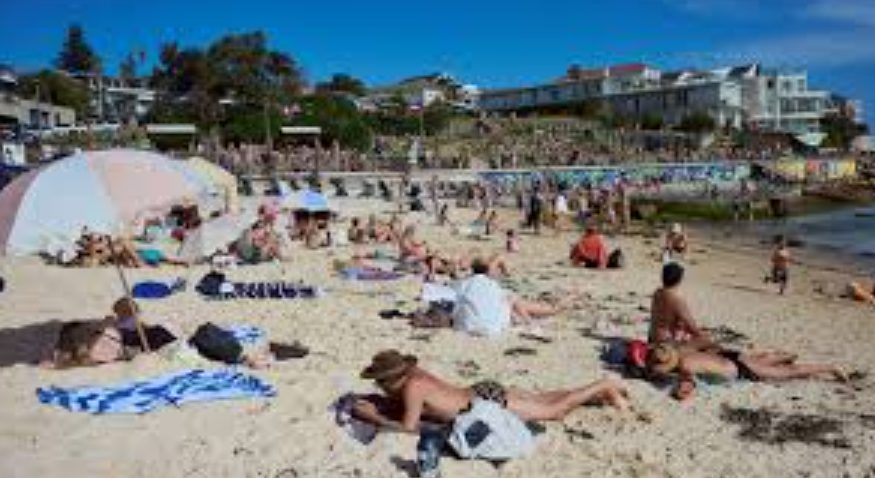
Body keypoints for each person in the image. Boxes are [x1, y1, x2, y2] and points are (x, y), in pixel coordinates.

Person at [352, 350, 631, 432]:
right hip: (481, 391)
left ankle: (604, 384)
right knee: (544, 398)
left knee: (553, 411)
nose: (379, 388)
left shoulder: (412, 387)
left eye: (380, 383)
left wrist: (373, 417)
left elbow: (409, 427)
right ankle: (601, 394)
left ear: (391, 380)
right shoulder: (415, 376)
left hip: (485, 403)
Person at [648, 343, 848, 401]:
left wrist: (678, 393)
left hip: (738, 369)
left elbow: (686, 389)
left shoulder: (685, 367)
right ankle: (783, 354)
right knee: (760, 363)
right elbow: (708, 346)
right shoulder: (682, 351)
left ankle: (830, 367)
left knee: (787, 373)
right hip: (729, 356)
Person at [451, 258, 557, 336]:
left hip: (466, 325)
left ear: (472, 270)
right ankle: (532, 320)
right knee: (513, 300)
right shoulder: (492, 284)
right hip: (493, 327)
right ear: (487, 271)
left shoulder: (465, 283)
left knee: (511, 302)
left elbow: (456, 301)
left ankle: (545, 313)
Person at [649, 263, 715, 353]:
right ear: (679, 280)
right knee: (706, 340)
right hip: (667, 343)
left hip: (653, 338)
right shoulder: (676, 299)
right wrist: (702, 335)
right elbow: (691, 326)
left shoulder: (657, 293)